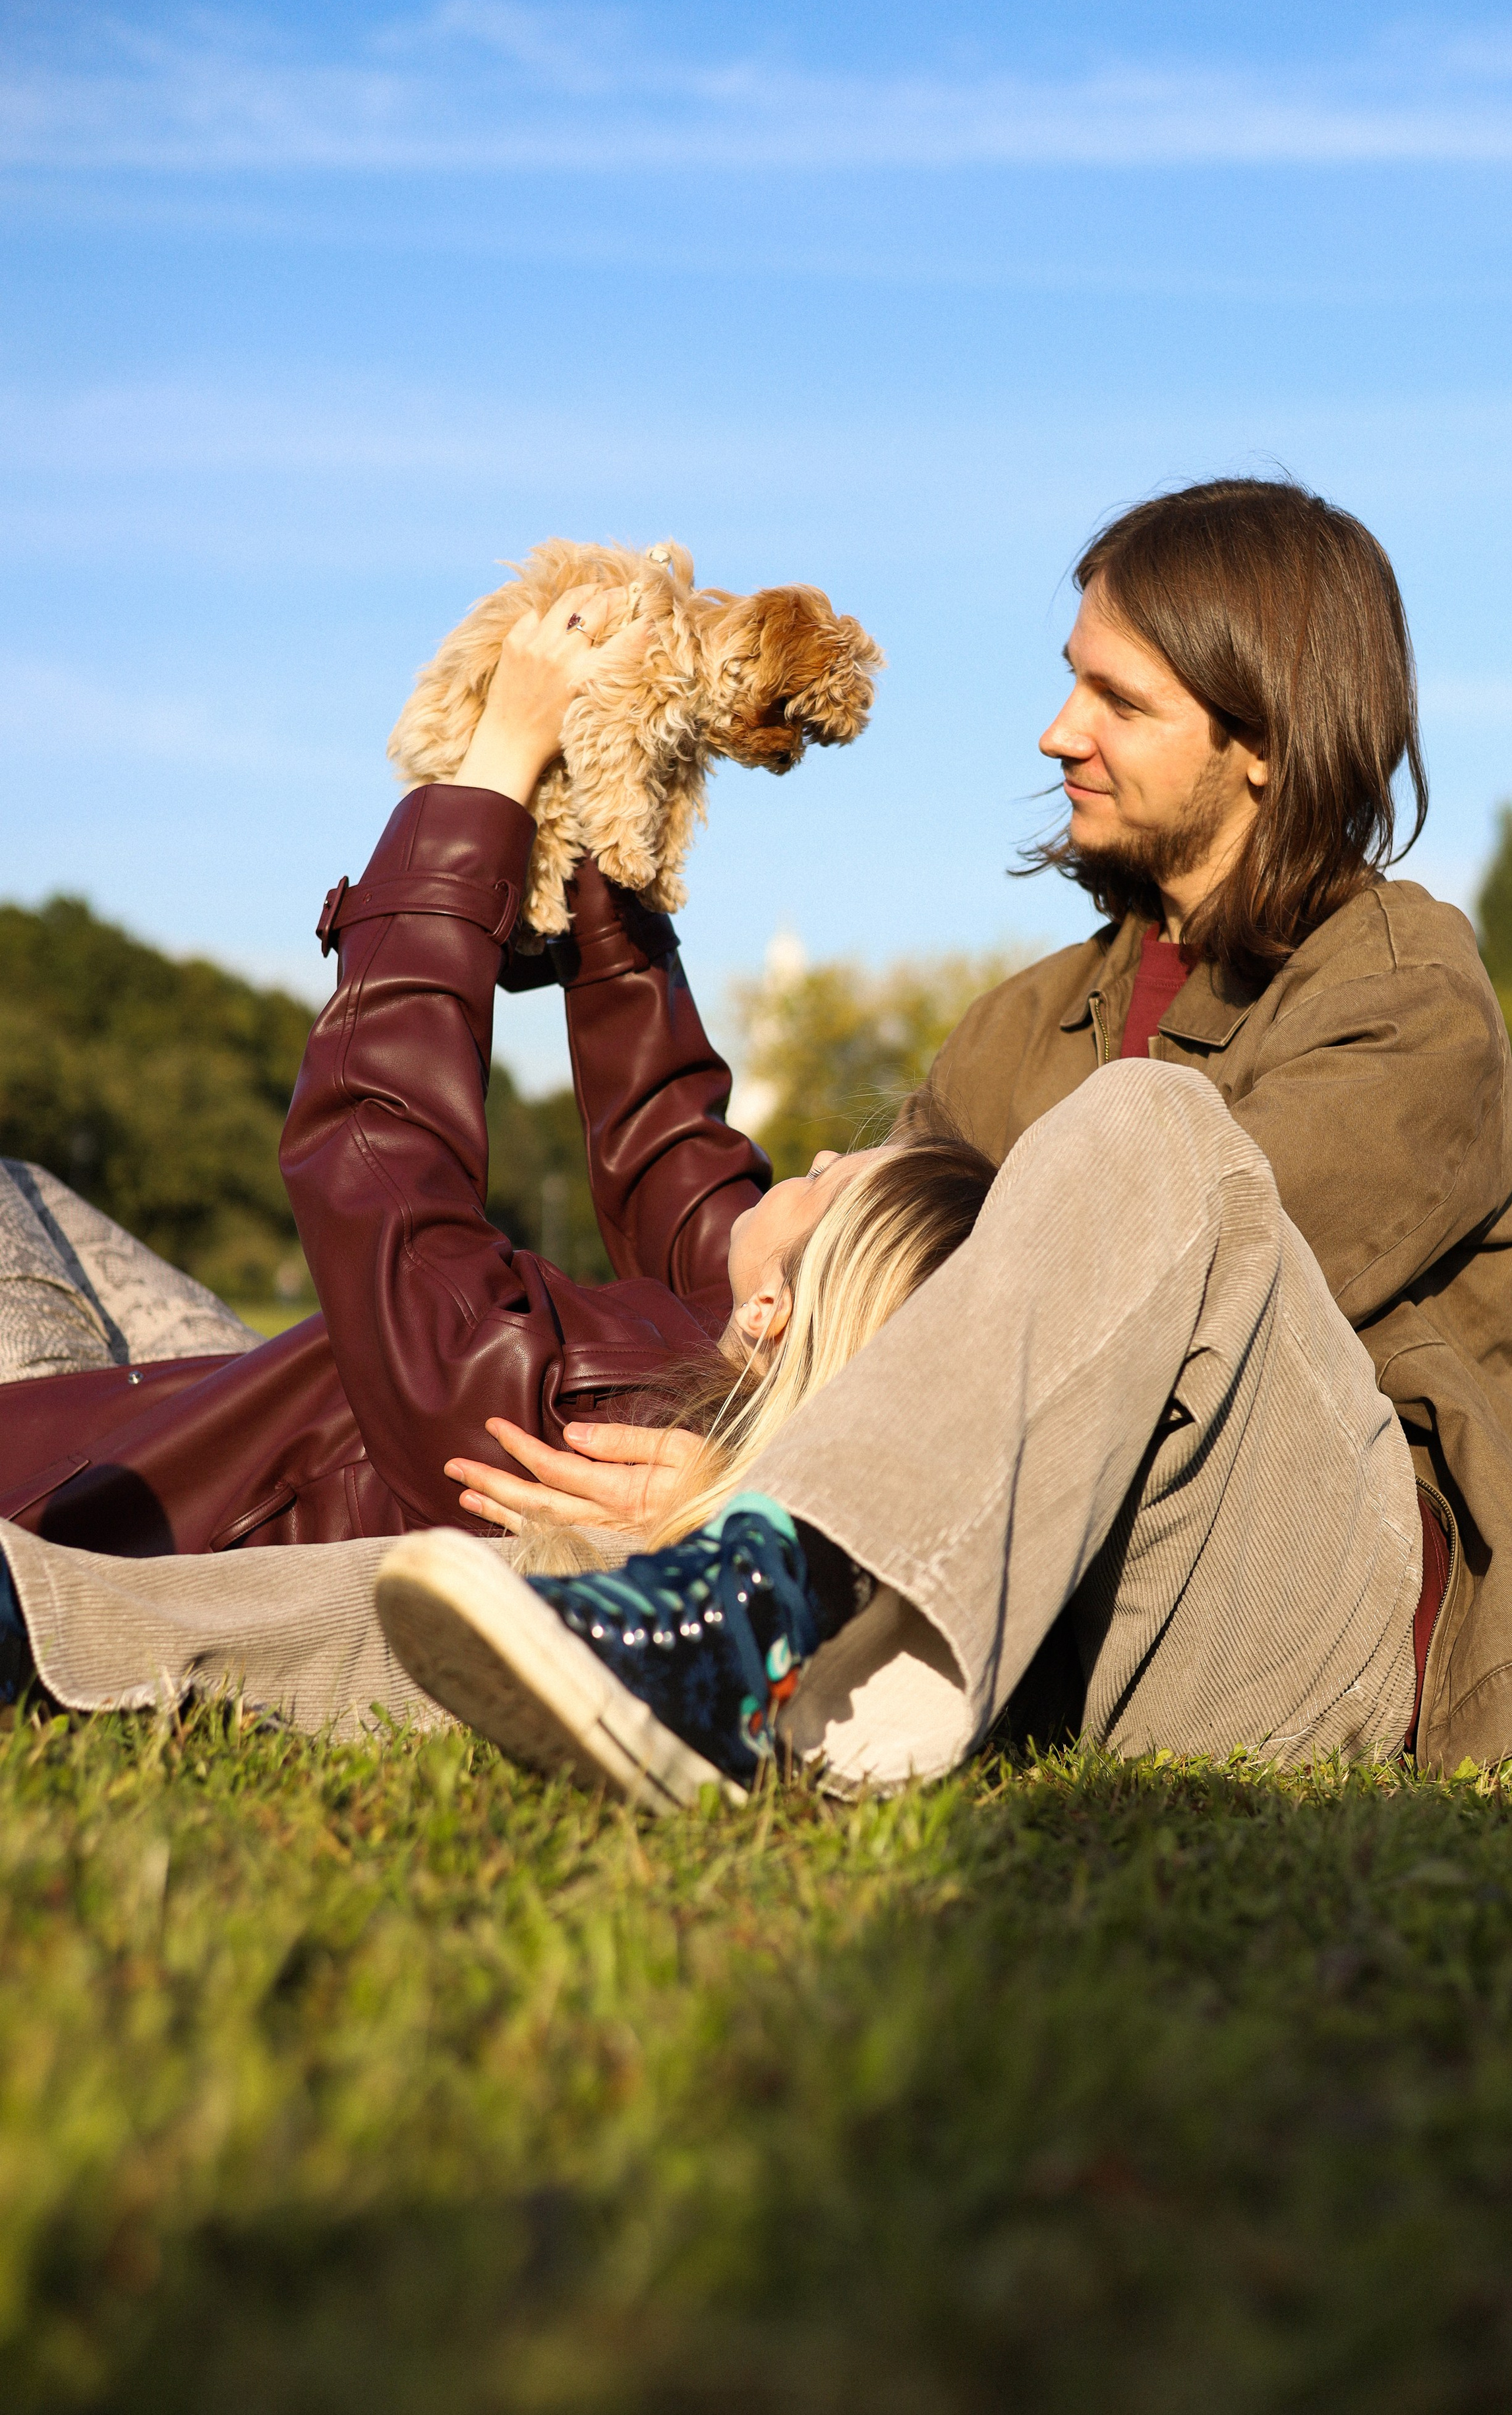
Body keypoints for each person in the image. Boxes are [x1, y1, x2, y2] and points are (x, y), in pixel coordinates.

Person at [370, 479, 1512, 1799]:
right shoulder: (1019, 1027)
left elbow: (1171, 1305)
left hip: (1301, 1632)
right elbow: (849, 1293)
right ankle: (143, 1622)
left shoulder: (1404, 994)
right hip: (1029, 1606)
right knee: (497, 1580)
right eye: (1068, 683)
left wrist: (780, 1481)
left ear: (1264, 741)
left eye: (1118, 702)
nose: (1054, 734)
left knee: (1159, 1137)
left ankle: (760, 1598)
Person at [0, 584, 993, 1734]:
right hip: (251, 1411)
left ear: (776, 1310)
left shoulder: (588, 1426)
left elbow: (381, 1150)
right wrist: (613, 821)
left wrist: (496, 767)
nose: (810, 1153)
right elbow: (669, 1139)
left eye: (825, 1183)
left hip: (109, 1497)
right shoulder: (713, 1376)